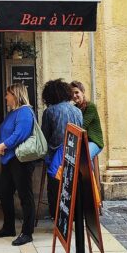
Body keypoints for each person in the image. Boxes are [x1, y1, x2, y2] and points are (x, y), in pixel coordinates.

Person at [0, 83, 36, 246]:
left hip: (21, 160)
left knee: (25, 196)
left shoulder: (24, 111)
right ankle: (9, 227)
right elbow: (3, 132)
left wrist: (3, 146)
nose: (5, 97)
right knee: (4, 192)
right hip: (9, 159)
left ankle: (27, 232)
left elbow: (20, 134)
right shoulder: (12, 113)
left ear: (16, 95)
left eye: (8, 94)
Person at [40, 79, 82, 221]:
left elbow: (44, 137)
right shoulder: (77, 111)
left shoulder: (49, 112)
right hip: (75, 154)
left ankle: (56, 215)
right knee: (73, 185)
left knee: (54, 188)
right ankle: (74, 214)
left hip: (56, 157)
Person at [70, 81, 104, 160]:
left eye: (76, 92)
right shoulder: (74, 108)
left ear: (82, 92)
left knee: (85, 156)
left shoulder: (90, 106)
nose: (74, 95)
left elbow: (82, 126)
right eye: (72, 94)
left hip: (94, 141)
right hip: (81, 142)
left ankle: (90, 173)